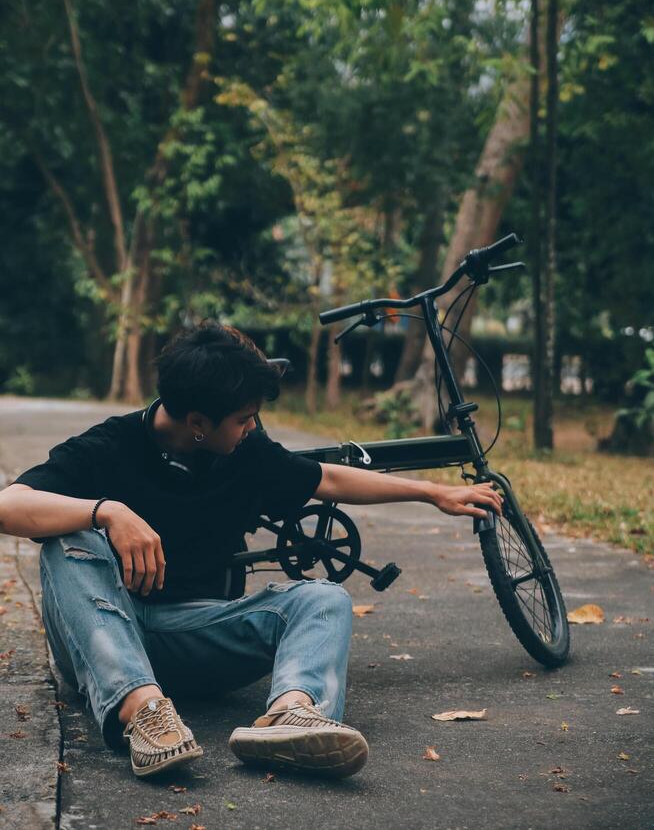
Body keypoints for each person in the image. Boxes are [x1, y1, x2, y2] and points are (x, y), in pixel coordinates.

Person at [0, 322, 502, 780]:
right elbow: (10, 505)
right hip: (98, 641)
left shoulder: (245, 450)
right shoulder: (110, 445)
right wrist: (105, 511)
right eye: (244, 419)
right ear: (197, 421)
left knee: (324, 599)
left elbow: (326, 479)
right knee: (70, 538)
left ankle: (291, 714)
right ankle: (143, 712)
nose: (252, 428)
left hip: (189, 634)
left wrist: (432, 494)